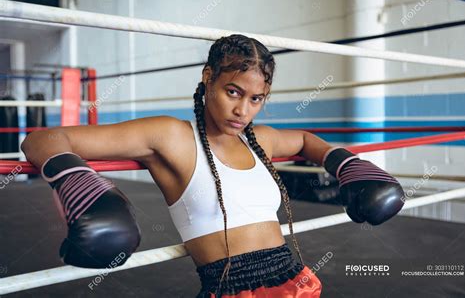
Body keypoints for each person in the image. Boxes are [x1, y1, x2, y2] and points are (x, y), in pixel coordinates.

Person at [21, 34, 405, 297]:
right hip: (231, 288)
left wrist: (350, 167)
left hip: (296, 283)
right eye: (233, 92)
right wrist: (83, 189)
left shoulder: (260, 140)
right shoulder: (170, 136)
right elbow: (42, 139)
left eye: (257, 99)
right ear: (208, 79)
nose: (242, 110)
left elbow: (305, 140)